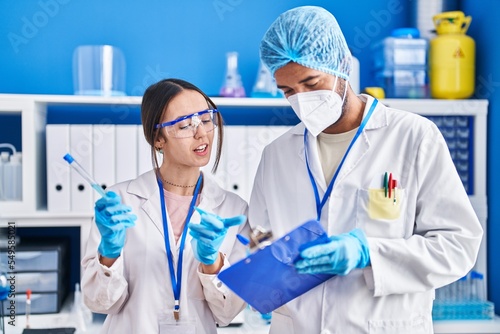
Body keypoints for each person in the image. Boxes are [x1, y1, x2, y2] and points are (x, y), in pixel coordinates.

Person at [249, 6, 483, 333]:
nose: (301, 99)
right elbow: (258, 243)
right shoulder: (276, 155)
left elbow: (459, 246)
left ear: (342, 66)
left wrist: (368, 253)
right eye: (288, 91)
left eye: (311, 82)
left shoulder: (414, 137)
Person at [81, 78, 249, 334]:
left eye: (206, 119)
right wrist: (109, 253)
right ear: (158, 138)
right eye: (185, 125)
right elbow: (99, 303)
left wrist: (212, 262)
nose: (201, 133)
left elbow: (227, 313)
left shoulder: (233, 210)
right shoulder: (120, 202)